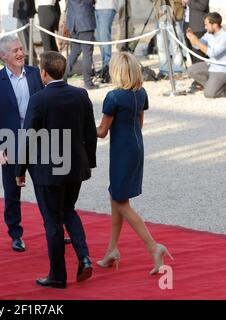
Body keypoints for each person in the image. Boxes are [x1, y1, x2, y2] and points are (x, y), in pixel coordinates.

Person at [16, 51, 97, 288]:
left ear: (43, 73)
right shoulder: (81, 94)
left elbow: (29, 136)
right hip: (75, 167)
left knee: (52, 222)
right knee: (69, 210)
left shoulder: (39, 99)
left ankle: (58, 275)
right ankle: (83, 256)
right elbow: (90, 133)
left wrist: (19, 169)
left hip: (47, 170)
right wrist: (88, 163)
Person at [96, 52, 173, 275]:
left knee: (121, 202)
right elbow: (140, 123)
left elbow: (101, 132)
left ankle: (153, 246)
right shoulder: (141, 93)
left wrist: (79, 129)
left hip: (121, 152)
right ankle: (112, 249)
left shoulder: (113, 97)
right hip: (136, 147)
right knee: (116, 197)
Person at [0, 35, 44, 252]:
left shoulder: (36, 74)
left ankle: (53, 227)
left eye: (21, 49)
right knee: (12, 192)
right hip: (10, 143)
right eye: (15, 50)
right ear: (3, 55)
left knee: (45, 187)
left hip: (38, 141)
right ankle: (15, 233)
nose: (20, 53)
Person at [186, 12, 226, 98]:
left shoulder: (225, 36)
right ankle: (213, 85)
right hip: (211, 65)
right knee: (191, 70)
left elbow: (213, 53)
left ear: (215, 25)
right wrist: (192, 37)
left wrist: (197, 42)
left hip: (222, 69)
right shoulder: (209, 34)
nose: (205, 27)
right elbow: (197, 46)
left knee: (209, 94)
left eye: (207, 25)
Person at [64, 0, 98, 89]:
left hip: (73, 23)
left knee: (75, 51)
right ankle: (88, 82)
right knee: (87, 53)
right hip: (85, 23)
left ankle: (63, 75)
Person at [155, 0, 186, 79]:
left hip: (175, 15)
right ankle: (164, 70)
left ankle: (177, 71)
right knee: (161, 46)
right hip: (161, 15)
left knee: (176, 46)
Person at [94, 0, 119, 83]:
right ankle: (104, 67)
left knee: (104, 37)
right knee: (99, 37)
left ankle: (108, 69)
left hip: (107, 7)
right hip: (96, 7)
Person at [182, 0, 209, 64]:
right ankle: (195, 70)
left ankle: (200, 72)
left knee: (198, 55)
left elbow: (202, 6)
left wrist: (188, 2)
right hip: (187, 23)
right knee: (191, 52)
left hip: (198, 26)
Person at [12, 0, 38, 65]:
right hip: (24, 10)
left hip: (24, 11)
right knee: (24, 39)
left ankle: (30, 61)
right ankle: (31, 60)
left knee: (25, 40)